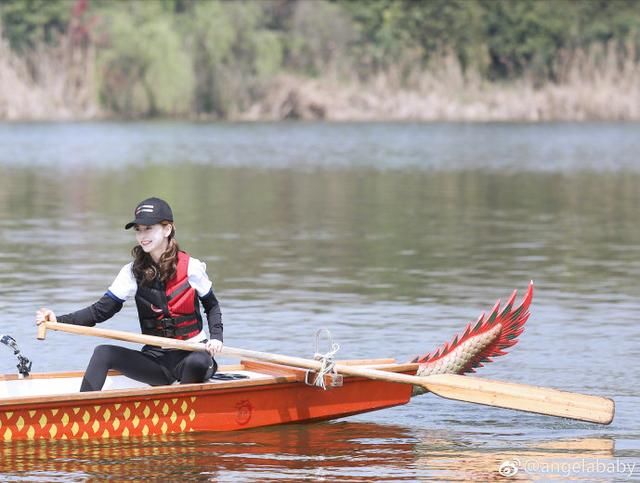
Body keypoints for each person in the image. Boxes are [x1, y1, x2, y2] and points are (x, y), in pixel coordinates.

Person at [36, 197, 223, 392]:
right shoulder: (131, 272)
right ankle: (81, 413)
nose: (142, 235)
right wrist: (57, 321)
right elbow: (99, 312)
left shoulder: (192, 267)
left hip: (194, 355)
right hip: (156, 361)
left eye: (149, 228)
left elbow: (212, 306)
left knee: (198, 362)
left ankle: (182, 412)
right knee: (104, 352)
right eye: (138, 230)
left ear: (167, 229)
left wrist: (216, 337)